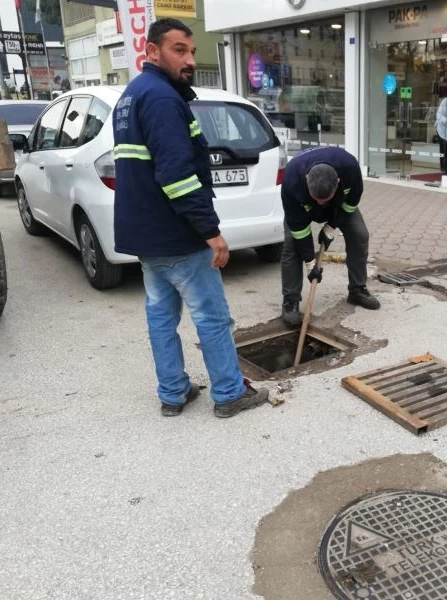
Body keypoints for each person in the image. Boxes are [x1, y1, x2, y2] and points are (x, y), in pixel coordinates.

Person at [112, 18, 267, 418]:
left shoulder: (132, 96)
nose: (190, 59)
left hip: (148, 238)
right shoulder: (163, 99)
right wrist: (210, 231)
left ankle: (173, 393)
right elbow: (177, 174)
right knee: (213, 318)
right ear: (151, 52)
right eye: (179, 49)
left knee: (161, 317)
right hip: (177, 236)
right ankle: (231, 393)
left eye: (192, 51)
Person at [280, 146, 380, 327]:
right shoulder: (292, 179)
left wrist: (331, 227)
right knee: (292, 246)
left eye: (325, 199)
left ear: (338, 181)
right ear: (306, 180)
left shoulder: (350, 168)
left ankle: (357, 290)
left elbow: (351, 202)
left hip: (338, 206)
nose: (321, 203)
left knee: (359, 234)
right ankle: (290, 302)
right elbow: (299, 229)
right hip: (302, 209)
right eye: (317, 199)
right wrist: (311, 263)